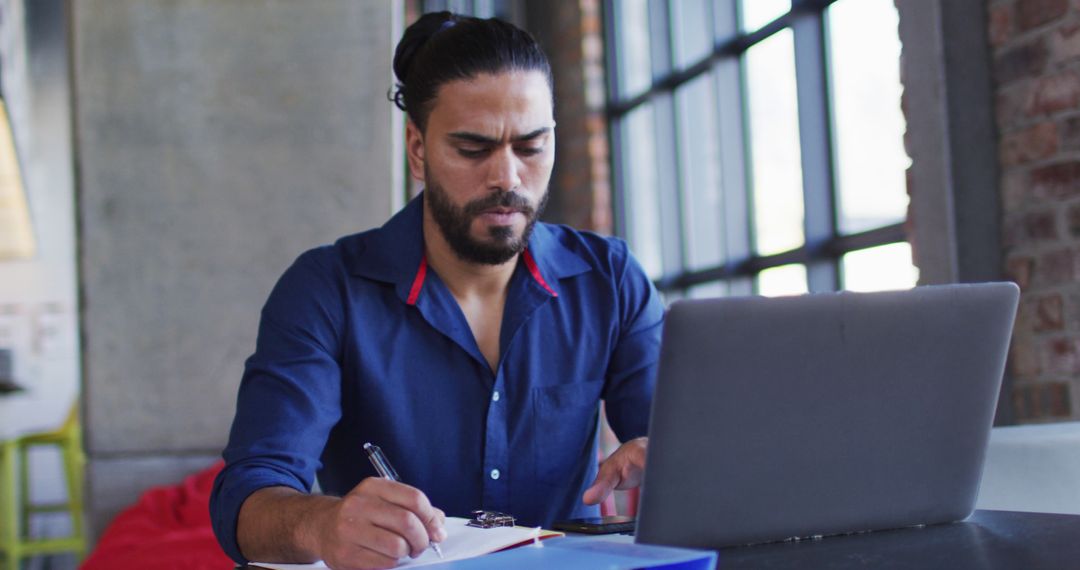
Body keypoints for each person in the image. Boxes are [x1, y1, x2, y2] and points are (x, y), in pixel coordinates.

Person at [210, 11, 664, 569]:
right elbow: (247, 495)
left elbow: (676, 444)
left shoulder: (610, 279)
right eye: (473, 149)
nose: (507, 178)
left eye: (530, 146)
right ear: (418, 150)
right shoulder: (326, 291)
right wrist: (321, 523)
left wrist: (673, 459)